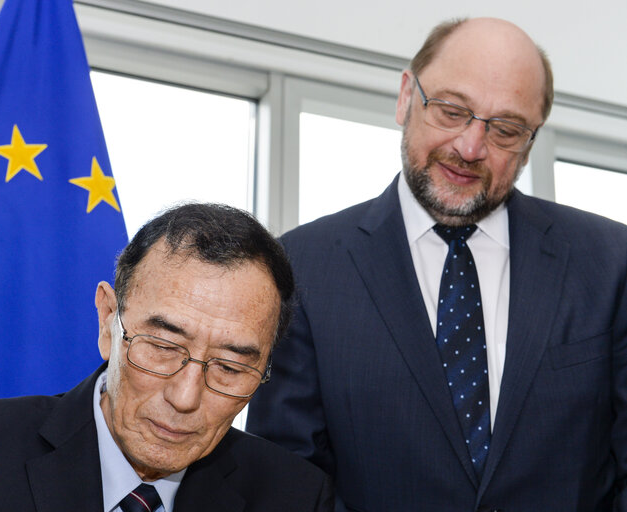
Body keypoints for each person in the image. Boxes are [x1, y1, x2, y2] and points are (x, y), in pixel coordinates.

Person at [247, 17, 627, 511]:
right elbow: (289, 483)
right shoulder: (303, 268)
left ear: (531, 142)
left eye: (506, 129)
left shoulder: (610, 264)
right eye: (452, 110)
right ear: (407, 96)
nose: (470, 148)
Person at [0, 203, 334, 511]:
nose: (186, 397)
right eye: (164, 347)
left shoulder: (293, 497)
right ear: (109, 321)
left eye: (230, 368)